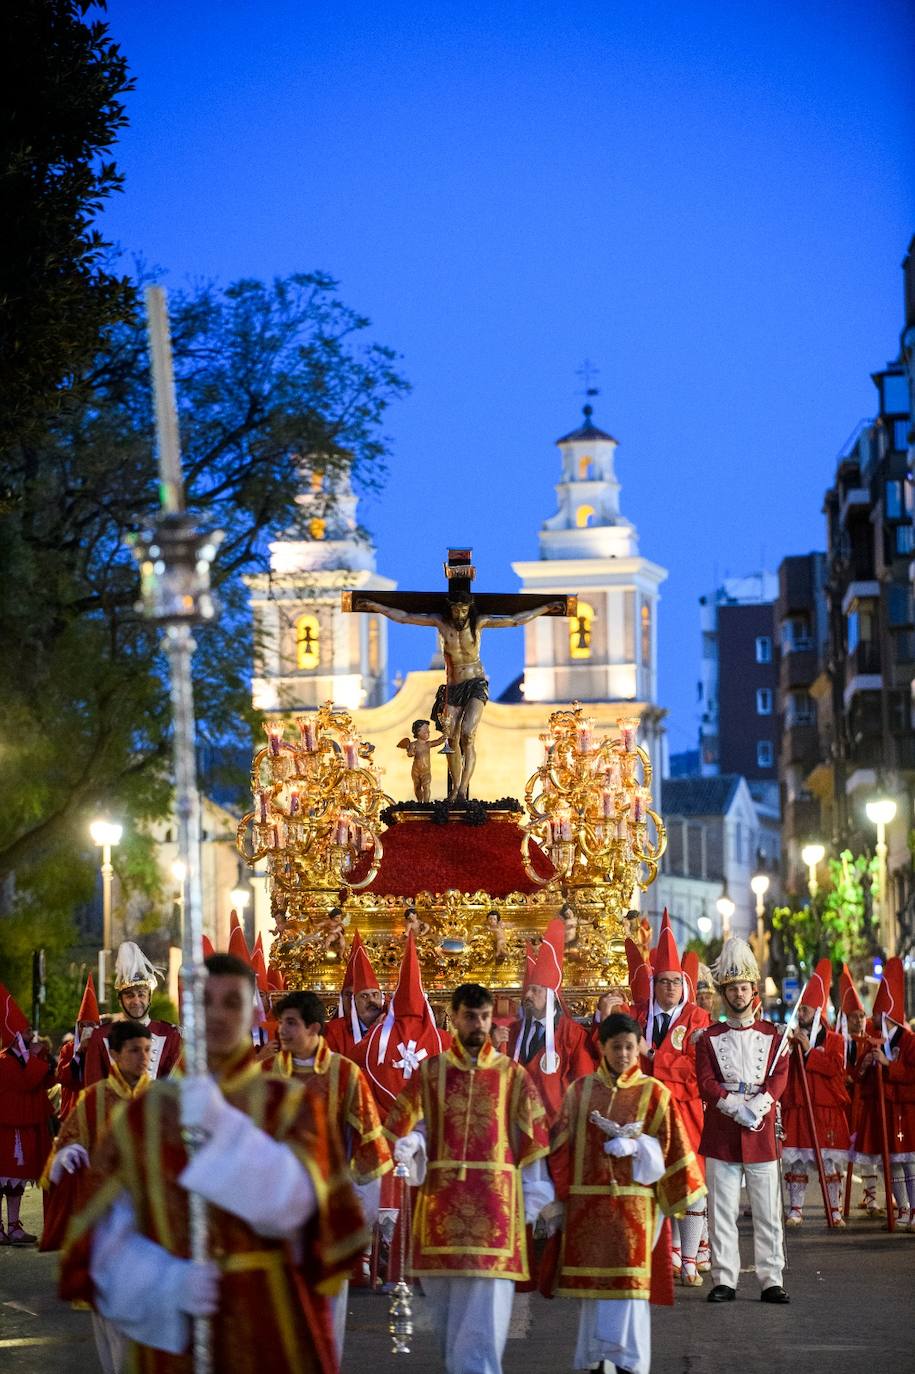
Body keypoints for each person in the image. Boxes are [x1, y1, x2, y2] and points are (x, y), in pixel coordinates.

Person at [60, 953, 368, 1373]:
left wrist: (224, 1128)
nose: (219, 1015)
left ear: (254, 1014)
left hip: (269, 1325)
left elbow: (317, 1219)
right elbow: (104, 1237)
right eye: (207, 1003)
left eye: (233, 1003)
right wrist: (165, 1282)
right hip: (175, 1336)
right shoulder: (146, 1117)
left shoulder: (290, 1106)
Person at [384, 982, 553, 1374]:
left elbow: (529, 1139)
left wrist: (534, 1196)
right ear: (454, 1018)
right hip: (440, 1210)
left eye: (484, 1017)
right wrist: (414, 1142)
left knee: (483, 1321)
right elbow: (411, 1126)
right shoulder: (431, 1072)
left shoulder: (512, 1075)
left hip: (495, 1210)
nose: (478, 1024)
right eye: (469, 1016)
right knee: (446, 1320)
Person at [546, 1012, 706, 1374]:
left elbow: (674, 1148)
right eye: (615, 1047)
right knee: (594, 1294)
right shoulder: (580, 1091)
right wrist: (554, 1196)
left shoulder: (654, 1093)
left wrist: (640, 1148)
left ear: (639, 1049)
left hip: (635, 1210)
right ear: (602, 1047)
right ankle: (596, 1362)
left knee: (629, 1292)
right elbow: (559, 1145)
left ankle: (628, 1363)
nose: (622, 1054)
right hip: (589, 1207)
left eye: (629, 1048)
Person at [261, 989, 392, 1357]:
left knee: (325, 1317)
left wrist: (359, 1215)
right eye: (280, 1022)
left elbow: (370, 1147)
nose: (281, 1031)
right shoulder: (265, 1074)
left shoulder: (345, 1075)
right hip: (276, 1215)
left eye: (290, 1023)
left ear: (314, 1027)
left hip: (327, 1214)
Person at [357, 588, 565, 800]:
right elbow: (404, 617)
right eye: (456, 610)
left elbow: (515, 620)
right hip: (453, 687)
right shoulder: (440, 623)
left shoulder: (479, 623)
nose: (459, 614)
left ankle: (463, 788)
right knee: (451, 739)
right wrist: (376, 607)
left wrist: (545, 608)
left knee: (467, 734)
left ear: (469, 609)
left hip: (475, 684)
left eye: (464, 610)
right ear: (450, 609)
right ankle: (456, 790)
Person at [694, 937, 790, 1305]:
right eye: (732, 988)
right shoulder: (708, 1038)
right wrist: (735, 1106)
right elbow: (705, 1082)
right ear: (725, 992)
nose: (738, 993)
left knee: (768, 1212)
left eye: (744, 987)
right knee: (721, 1212)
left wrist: (760, 1105)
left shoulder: (774, 1036)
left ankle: (771, 1279)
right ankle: (724, 1279)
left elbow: (780, 1076)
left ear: (753, 990)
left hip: (762, 1132)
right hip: (722, 1132)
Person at [638, 910, 710, 1285]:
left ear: (684, 984)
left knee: (691, 1182)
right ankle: (667, 1255)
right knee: (654, 1182)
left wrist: (654, 1059)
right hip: (649, 1114)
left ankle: (690, 1261)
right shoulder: (639, 1018)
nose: (669, 989)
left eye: (674, 983)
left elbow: (695, 1070)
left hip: (686, 1114)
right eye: (663, 982)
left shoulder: (698, 1018)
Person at [780, 957, 850, 1228]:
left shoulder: (835, 1040)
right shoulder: (793, 1037)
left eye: (806, 1010)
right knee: (796, 1163)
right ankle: (795, 1210)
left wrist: (809, 1050)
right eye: (801, 1010)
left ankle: (834, 1210)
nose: (801, 1014)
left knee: (829, 1165)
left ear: (818, 1010)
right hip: (799, 1106)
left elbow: (835, 1069)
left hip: (825, 1110)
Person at [507, 917, 596, 1124]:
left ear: (550, 996)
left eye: (535, 990)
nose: (527, 996)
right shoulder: (513, 1031)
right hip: (519, 1123)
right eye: (527, 990)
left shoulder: (572, 1034)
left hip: (557, 1125)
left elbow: (584, 1082)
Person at [858, 957, 915, 1228]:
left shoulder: (911, 1041)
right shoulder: (876, 1040)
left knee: (909, 1163)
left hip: (906, 1109)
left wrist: (888, 1065)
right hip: (887, 1111)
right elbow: (861, 1077)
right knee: (889, 1163)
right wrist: (869, 1064)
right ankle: (902, 1209)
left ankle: (914, 1210)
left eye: (880, 1015)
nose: (876, 1020)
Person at [83, 942, 182, 1086]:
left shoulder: (169, 1034)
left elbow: (175, 1088)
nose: (136, 1001)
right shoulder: (100, 1035)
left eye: (141, 994)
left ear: (149, 998)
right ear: (120, 1000)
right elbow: (93, 1088)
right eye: (129, 995)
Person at [0, 984, 53, 1247]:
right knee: (1, 1180)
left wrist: (35, 1057)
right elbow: (29, 1081)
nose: (30, 1034)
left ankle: (14, 1226)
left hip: (23, 1129)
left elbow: (45, 1079)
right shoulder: (4, 1061)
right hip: (5, 1130)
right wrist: (31, 1058)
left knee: (17, 1183)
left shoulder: (28, 1058)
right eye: (25, 1030)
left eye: (30, 1029)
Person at [323, 932, 386, 1058]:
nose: (371, 1000)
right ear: (353, 1001)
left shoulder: (391, 1026)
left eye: (375, 994)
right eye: (364, 996)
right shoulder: (334, 1031)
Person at [55, 974, 102, 1119]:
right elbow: (63, 1078)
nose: (86, 1029)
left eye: (91, 1025)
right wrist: (79, 1053)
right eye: (83, 1025)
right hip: (73, 1111)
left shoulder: (103, 1048)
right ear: (77, 1027)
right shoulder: (68, 1049)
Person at [397, 719, 444, 802]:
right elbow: (409, 754)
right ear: (418, 732)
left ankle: (426, 803)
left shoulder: (428, 744)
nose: (428, 732)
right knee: (417, 787)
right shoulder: (413, 744)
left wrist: (445, 736)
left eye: (428, 731)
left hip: (426, 771)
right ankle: (419, 801)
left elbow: (438, 741)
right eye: (426, 731)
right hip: (416, 771)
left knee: (426, 786)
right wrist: (411, 752)